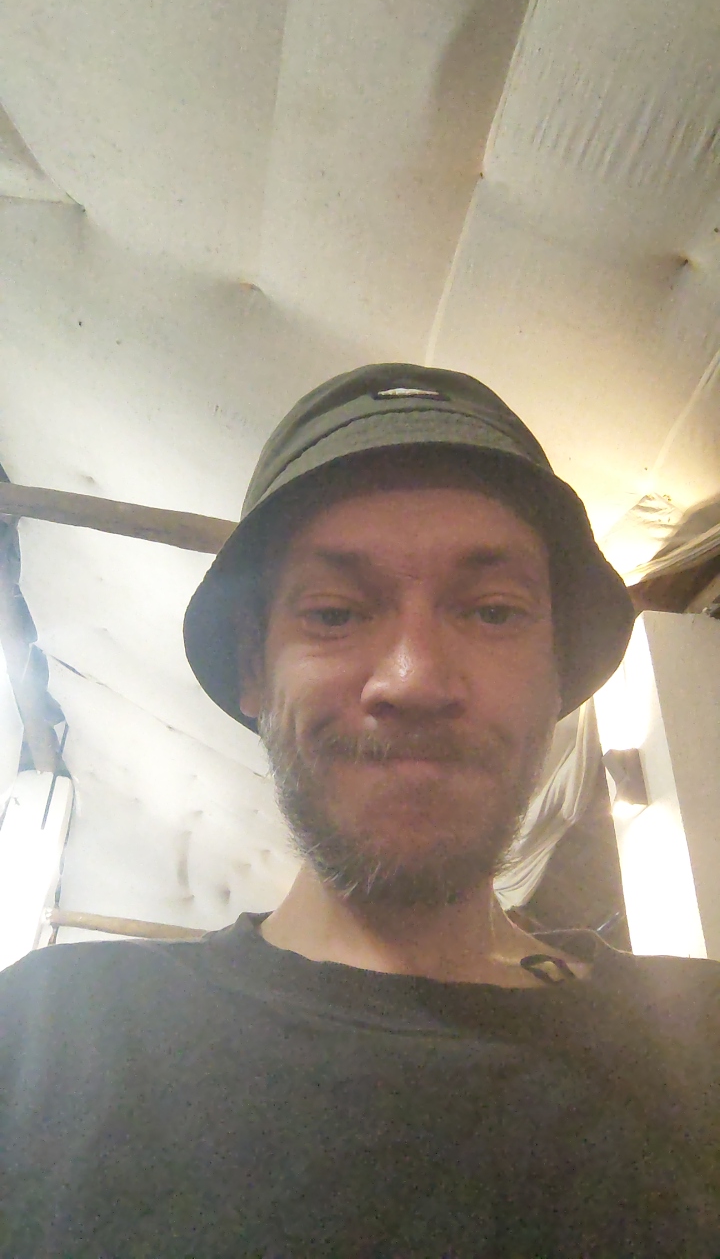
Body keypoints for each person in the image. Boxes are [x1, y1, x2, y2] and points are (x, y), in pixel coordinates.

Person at [1, 364, 718, 1257]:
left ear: (556, 675)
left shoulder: (700, 1042)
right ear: (255, 669)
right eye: (336, 613)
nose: (413, 680)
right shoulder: (46, 1039)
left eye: (493, 612)